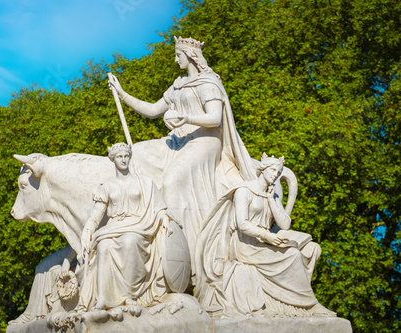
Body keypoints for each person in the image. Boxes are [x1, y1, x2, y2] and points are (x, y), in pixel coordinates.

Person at [109, 37, 257, 278]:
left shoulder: (208, 83)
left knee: (172, 182)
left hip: (204, 141)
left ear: (190, 55)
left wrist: (186, 119)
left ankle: (188, 253)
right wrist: (122, 93)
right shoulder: (178, 85)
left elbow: (215, 118)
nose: (175, 58)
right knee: (139, 154)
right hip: (179, 140)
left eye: (178, 54)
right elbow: (153, 111)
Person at [195, 154, 335, 317]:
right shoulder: (244, 191)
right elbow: (242, 224)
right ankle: (309, 305)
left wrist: (271, 200)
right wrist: (267, 236)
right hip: (245, 245)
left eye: (278, 172)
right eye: (273, 170)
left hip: (264, 241)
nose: (275, 174)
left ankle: (304, 304)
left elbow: (285, 224)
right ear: (263, 170)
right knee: (293, 255)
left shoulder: (272, 194)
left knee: (309, 249)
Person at [76, 143, 173, 316]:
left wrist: (164, 217)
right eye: (120, 157)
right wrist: (87, 230)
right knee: (104, 246)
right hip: (114, 227)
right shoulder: (106, 186)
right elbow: (96, 215)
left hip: (138, 225)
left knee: (130, 241)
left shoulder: (143, 182)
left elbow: (158, 206)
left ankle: (129, 296)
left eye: (126, 156)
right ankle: (103, 300)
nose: (124, 160)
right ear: (113, 159)